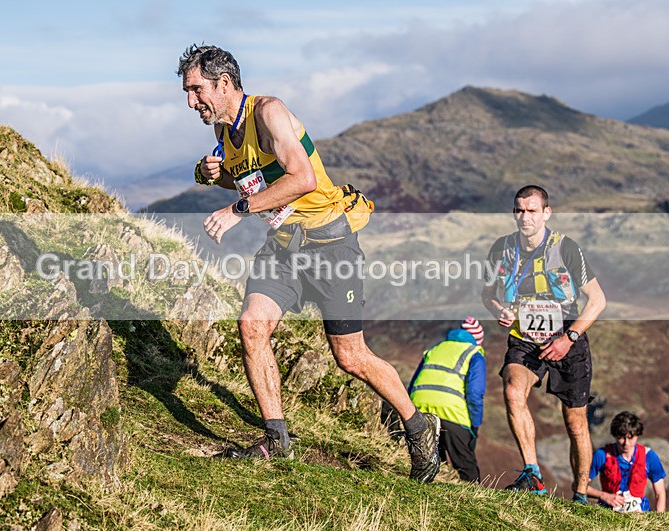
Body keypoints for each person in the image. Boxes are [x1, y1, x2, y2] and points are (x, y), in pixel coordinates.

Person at [177, 43, 441, 482]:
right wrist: (211, 176)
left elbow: (303, 179)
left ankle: (418, 426)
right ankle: (276, 441)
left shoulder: (270, 113)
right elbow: (252, 180)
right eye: (186, 92)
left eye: (196, 89)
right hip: (283, 247)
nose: (191, 101)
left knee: (350, 356)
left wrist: (237, 211)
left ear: (224, 84)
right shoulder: (225, 131)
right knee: (251, 325)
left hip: (330, 247)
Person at [481, 185, 606, 503]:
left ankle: (579, 495)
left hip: (567, 336)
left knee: (575, 421)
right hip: (524, 337)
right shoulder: (501, 249)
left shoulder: (565, 248)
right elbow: (487, 294)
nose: (525, 216)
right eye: (519, 210)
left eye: (532, 210)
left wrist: (570, 338)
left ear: (546, 213)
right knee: (512, 390)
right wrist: (500, 310)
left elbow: (597, 301)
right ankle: (532, 472)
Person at [409, 316, 487, 482]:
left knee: (432, 460)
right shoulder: (474, 354)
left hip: (420, 408)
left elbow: (413, 383)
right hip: (452, 414)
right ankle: (475, 500)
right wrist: (475, 425)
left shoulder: (434, 350)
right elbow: (475, 393)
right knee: (466, 466)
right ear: (477, 341)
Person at [587, 411, 666, 512]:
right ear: (615, 435)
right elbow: (579, 485)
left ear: (637, 435)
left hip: (640, 514)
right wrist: (604, 496)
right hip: (608, 513)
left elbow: (660, 493)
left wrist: (658, 523)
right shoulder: (602, 455)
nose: (626, 443)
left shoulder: (649, 457)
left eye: (631, 437)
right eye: (621, 437)